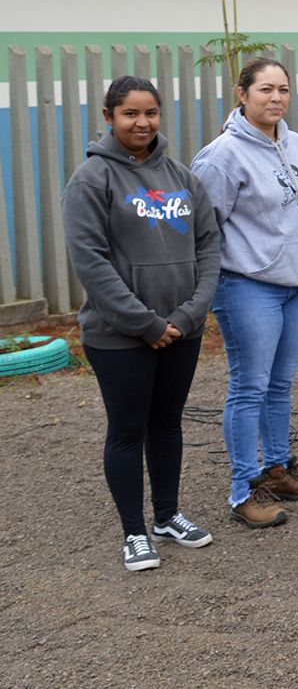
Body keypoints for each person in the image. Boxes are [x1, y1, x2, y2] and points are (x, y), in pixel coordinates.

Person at [64, 77, 221, 571]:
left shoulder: (181, 176)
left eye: (150, 112)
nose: (142, 122)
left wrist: (189, 314)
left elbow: (209, 247)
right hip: (119, 336)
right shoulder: (91, 180)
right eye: (130, 113)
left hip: (182, 329)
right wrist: (146, 324)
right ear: (109, 116)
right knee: (128, 430)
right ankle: (134, 531)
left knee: (167, 424)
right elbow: (91, 263)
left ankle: (167, 516)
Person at [191, 56, 298, 528]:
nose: (276, 98)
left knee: (280, 384)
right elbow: (202, 229)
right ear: (242, 93)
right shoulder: (222, 155)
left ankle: (277, 468)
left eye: (283, 89)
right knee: (249, 386)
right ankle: (243, 489)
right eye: (265, 89)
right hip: (247, 285)